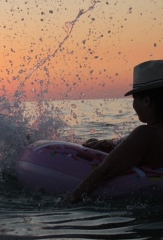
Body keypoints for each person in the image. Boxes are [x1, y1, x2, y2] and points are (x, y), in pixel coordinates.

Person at [64, 59, 163, 204]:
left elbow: (105, 170)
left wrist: (70, 199)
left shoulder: (145, 135)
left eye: (134, 98)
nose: (133, 104)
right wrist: (109, 145)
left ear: (146, 101)